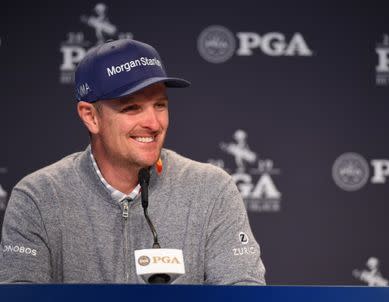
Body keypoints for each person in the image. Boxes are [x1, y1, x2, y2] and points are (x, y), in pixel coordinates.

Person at [0, 39, 265, 284]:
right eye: (132, 108)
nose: (153, 123)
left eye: (160, 105)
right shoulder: (38, 197)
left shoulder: (211, 189)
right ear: (90, 116)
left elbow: (243, 291)